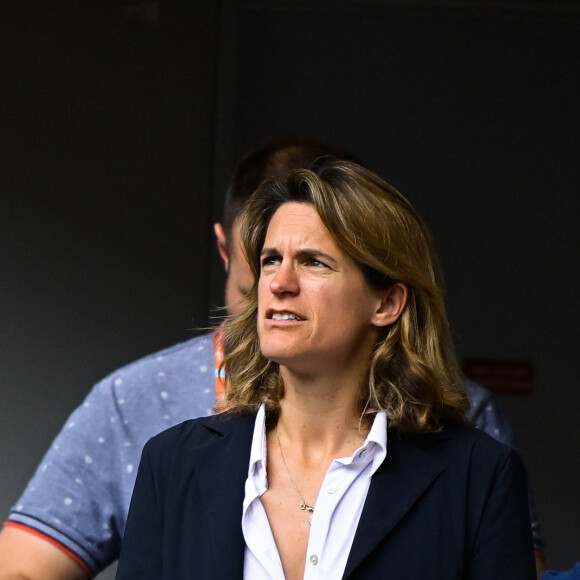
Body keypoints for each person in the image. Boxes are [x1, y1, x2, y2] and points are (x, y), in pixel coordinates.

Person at [0, 140, 544, 580]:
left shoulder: (479, 474)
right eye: (269, 260)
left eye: (313, 262)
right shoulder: (173, 463)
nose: (279, 284)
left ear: (386, 302)